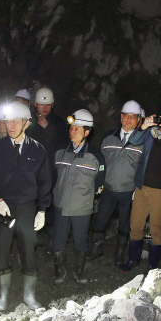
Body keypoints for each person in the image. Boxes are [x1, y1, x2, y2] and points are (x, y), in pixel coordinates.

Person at [0, 101, 51, 311]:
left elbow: (45, 181)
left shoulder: (38, 150)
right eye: (7, 121)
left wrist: (42, 209)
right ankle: (3, 295)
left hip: (27, 206)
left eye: (15, 121)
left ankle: (29, 295)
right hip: (4, 208)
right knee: (2, 249)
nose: (10, 125)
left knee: (29, 249)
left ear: (26, 123)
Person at [120, 100, 161, 271]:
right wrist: (144, 126)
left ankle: (153, 266)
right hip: (142, 188)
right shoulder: (150, 132)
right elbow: (133, 140)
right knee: (135, 226)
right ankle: (133, 260)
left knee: (156, 228)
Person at [88, 100, 145, 266]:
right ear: (121, 117)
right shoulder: (108, 137)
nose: (128, 119)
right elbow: (100, 163)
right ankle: (96, 249)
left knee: (125, 225)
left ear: (138, 120)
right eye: (125, 115)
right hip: (108, 190)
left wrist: (139, 189)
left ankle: (119, 254)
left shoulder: (141, 142)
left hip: (129, 192)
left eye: (132, 117)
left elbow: (144, 167)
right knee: (100, 221)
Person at [52, 110, 104, 284]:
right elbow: (52, 178)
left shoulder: (96, 157)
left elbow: (99, 181)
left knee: (80, 242)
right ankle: (60, 272)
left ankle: (79, 273)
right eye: (71, 128)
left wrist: (85, 196)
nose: (72, 131)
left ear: (87, 132)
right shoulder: (59, 153)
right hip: (60, 206)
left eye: (77, 128)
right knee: (59, 241)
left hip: (82, 208)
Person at [26, 87, 69, 256]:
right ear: (35, 104)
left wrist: (49, 129)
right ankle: (38, 235)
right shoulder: (28, 121)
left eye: (48, 104)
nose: (44, 108)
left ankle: (51, 236)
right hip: (32, 170)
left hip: (52, 169)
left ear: (53, 105)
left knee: (50, 202)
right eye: (41, 104)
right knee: (33, 201)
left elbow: (63, 146)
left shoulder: (58, 123)